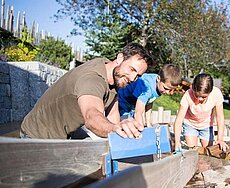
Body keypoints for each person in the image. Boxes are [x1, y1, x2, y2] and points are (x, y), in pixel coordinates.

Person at [20, 43, 154, 139]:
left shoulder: (113, 73)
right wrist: (115, 129)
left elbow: (113, 116)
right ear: (120, 58)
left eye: (138, 76)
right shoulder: (92, 79)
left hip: (64, 131)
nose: (132, 78)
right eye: (132, 69)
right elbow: (92, 116)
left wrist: (120, 130)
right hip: (37, 136)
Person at [173, 73, 229, 152]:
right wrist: (177, 142)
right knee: (192, 152)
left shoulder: (216, 94)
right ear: (193, 89)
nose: (200, 99)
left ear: (210, 92)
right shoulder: (188, 95)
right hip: (190, 124)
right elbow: (179, 120)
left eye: (204, 97)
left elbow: (220, 117)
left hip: (207, 126)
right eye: (197, 95)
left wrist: (220, 139)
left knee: (208, 151)